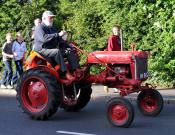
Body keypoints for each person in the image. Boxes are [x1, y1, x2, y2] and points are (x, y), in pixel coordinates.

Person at [34, 10, 80, 82]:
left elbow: (60, 40)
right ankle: (65, 73)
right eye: (50, 18)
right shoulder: (39, 28)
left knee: (69, 51)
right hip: (42, 49)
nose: (52, 19)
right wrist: (58, 34)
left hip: (51, 49)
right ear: (44, 18)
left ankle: (76, 70)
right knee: (56, 51)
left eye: (52, 18)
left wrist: (69, 46)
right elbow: (43, 38)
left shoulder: (53, 28)